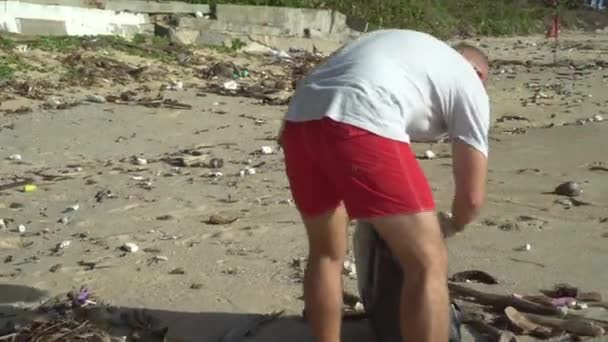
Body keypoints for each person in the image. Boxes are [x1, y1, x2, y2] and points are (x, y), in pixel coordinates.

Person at [279, 29, 490, 342]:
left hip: (298, 121)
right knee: (428, 261)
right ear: (478, 72)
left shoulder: (411, 53)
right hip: (361, 115)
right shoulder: (469, 80)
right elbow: (472, 197)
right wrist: (453, 224)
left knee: (325, 253)